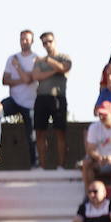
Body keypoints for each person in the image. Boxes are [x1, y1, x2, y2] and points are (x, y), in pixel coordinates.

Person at [0, 31, 39, 168]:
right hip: (14, 100)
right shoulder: (12, 58)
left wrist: (17, 66)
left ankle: (35, 163)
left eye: (27, 39)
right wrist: (23, 79)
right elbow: (5, 80)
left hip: (30, 103)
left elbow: (29, 79)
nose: (24, 42)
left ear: (32, 41)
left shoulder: (36, 59)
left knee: (31, 135)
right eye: (22, 39)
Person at [32, 33, 71, 170]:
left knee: (60, 132)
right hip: (41, 97)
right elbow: (36, 76)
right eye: (44, 43)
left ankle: (61, 165)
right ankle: (42, 166)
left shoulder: (64, 57)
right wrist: (55, 71)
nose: (47, 44)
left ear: (55, 41)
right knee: (39, 132)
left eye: (49, 41)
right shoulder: (39, 60)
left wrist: (49, 60)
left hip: (58, 97)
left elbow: (64, 68)